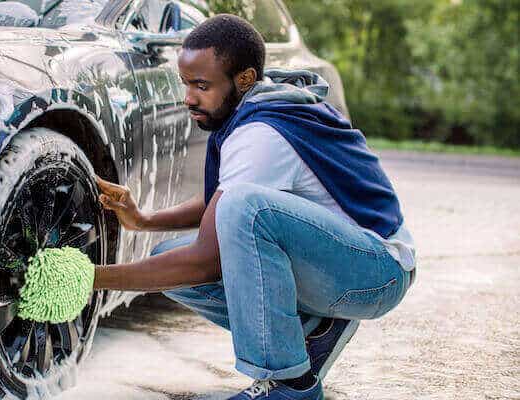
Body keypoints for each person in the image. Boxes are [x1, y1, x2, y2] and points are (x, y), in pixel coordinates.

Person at [92, 14, 416, 400]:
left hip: (376, 271)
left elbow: (209, 255)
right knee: (170, 253)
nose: (188, 98)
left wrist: (92, 279)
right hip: (347, 260)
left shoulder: (260, 133)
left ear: (244, 79)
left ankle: (288, 385)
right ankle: (314, 330)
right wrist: (143, 221)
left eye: (202, 85)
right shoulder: (254, 106)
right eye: (186, 84)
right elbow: (221, 199)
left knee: (242, 215)